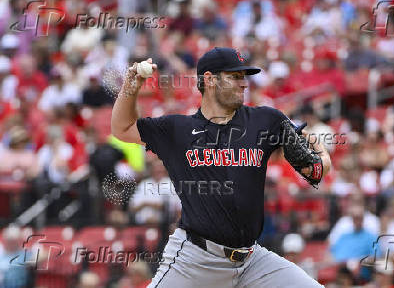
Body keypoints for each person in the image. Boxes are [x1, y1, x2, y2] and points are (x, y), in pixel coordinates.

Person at [111, 47, 331, 287]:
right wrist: (131, 87)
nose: (243, 84)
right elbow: (122, 128)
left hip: (252, 261)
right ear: (209, 79)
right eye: (234, 76)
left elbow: (314, 168)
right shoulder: (178, 130)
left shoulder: (266, 120)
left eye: (244, 77)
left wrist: (321, 156)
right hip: (195, 260)